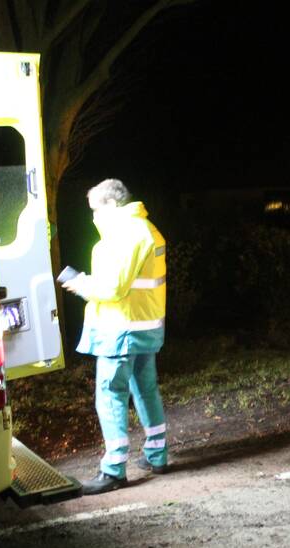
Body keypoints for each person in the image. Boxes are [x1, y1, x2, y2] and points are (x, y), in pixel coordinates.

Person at [63, 179, 169, 495]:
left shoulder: (126, 234)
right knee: (145, 390)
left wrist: (81, 284)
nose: (94, 217)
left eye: (96, 209)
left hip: (121, 329)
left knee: (110, 395)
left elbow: (113, 288)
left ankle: (113, 470)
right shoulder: (147, 229)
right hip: (145, 326)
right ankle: (157, 455)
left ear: (111, 204)